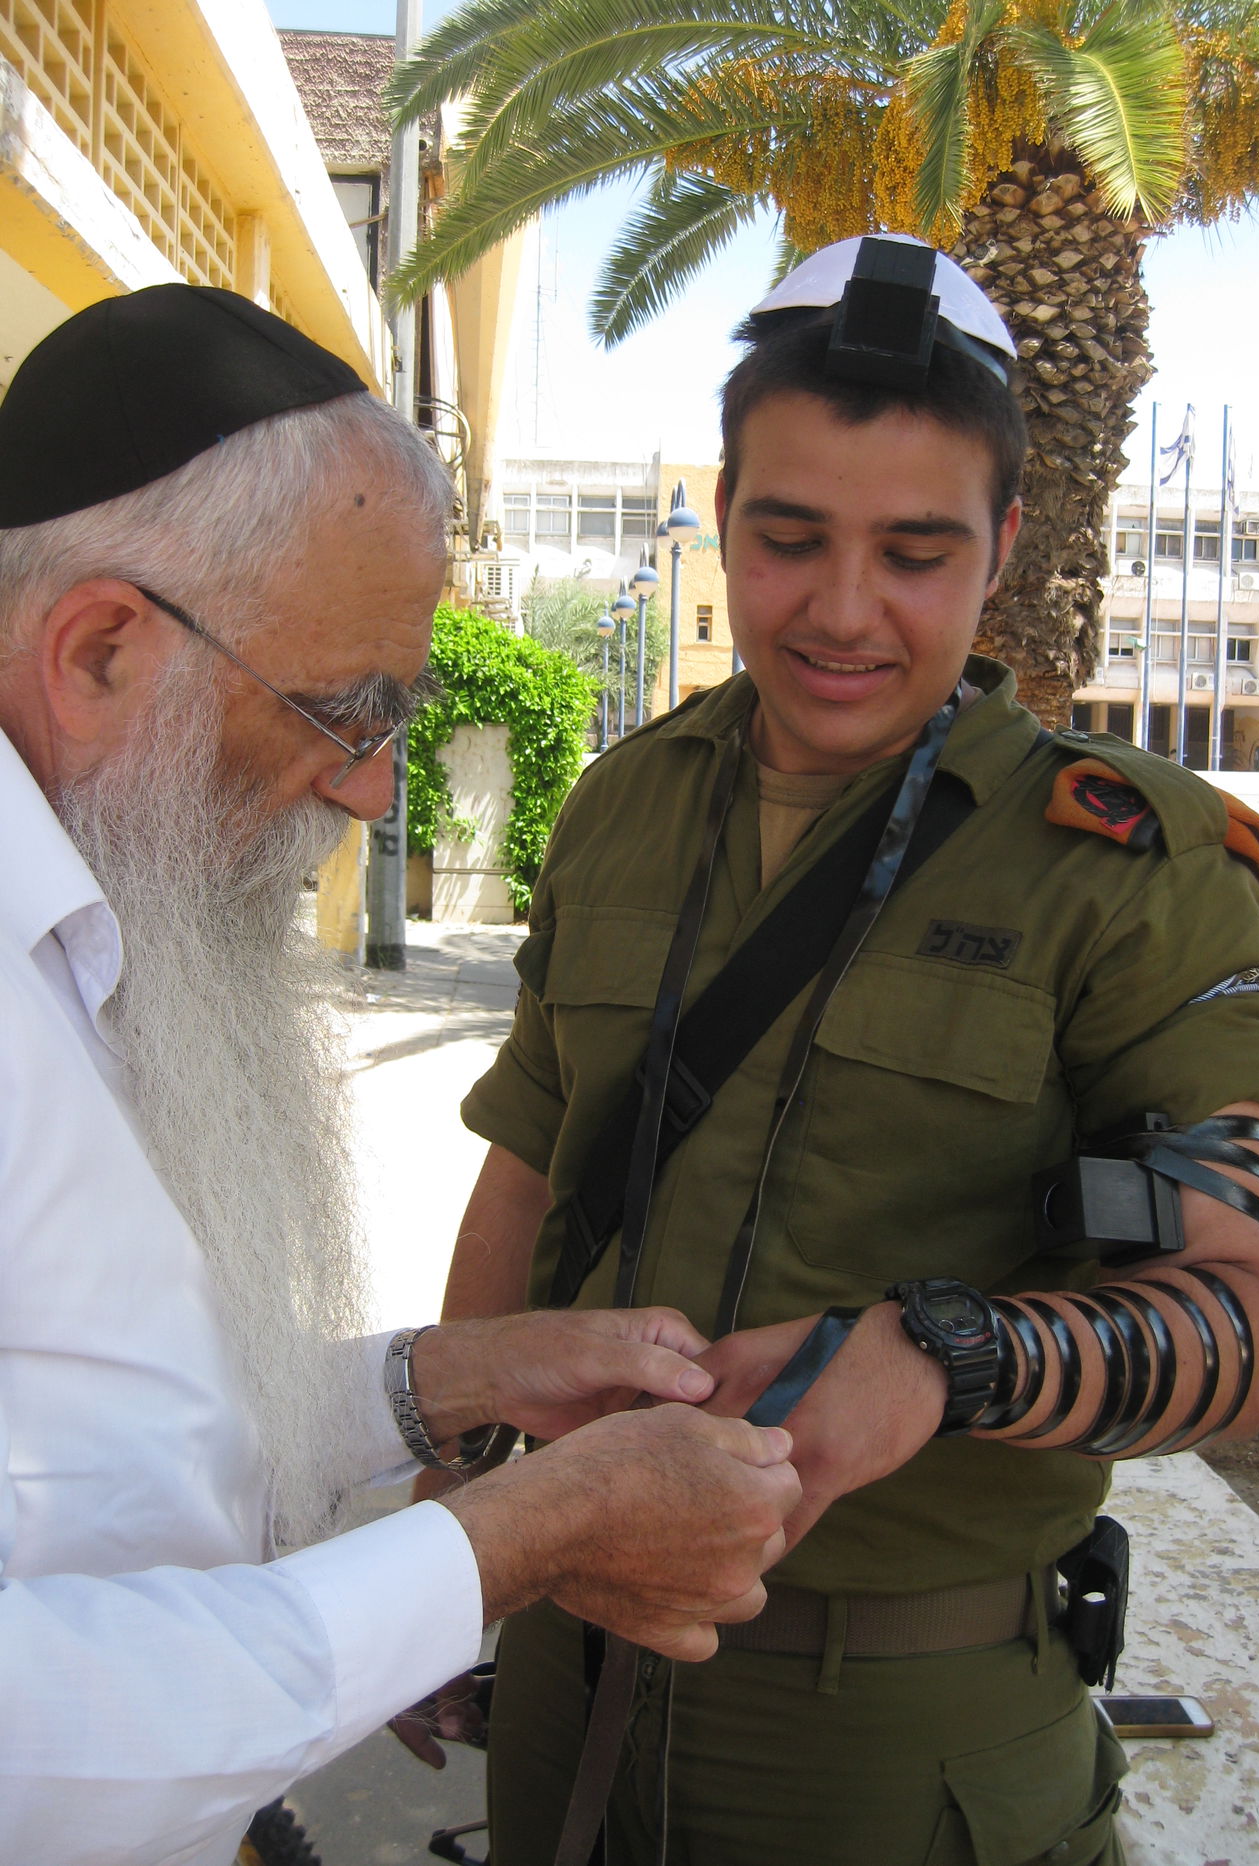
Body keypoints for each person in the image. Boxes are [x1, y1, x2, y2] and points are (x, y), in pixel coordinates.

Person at [439, 236, 1259, 1866]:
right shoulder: (626, 807)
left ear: (1007, 547)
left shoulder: (1130, 870)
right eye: (788, 538)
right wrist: (454, 1526)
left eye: (915, 550)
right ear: (719, 509)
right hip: (563, 1655)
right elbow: (531, 1177)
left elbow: (1238, 1328)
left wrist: (945, 1352)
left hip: (905, 1733)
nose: (842, 611)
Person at [0, 285, 804, 1866]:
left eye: (399, 712)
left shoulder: (94, 907)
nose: (374, 786)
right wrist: (516, 1538)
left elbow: (100, 1421)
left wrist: (449, 1378)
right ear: (97, 650)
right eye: (341, 708)